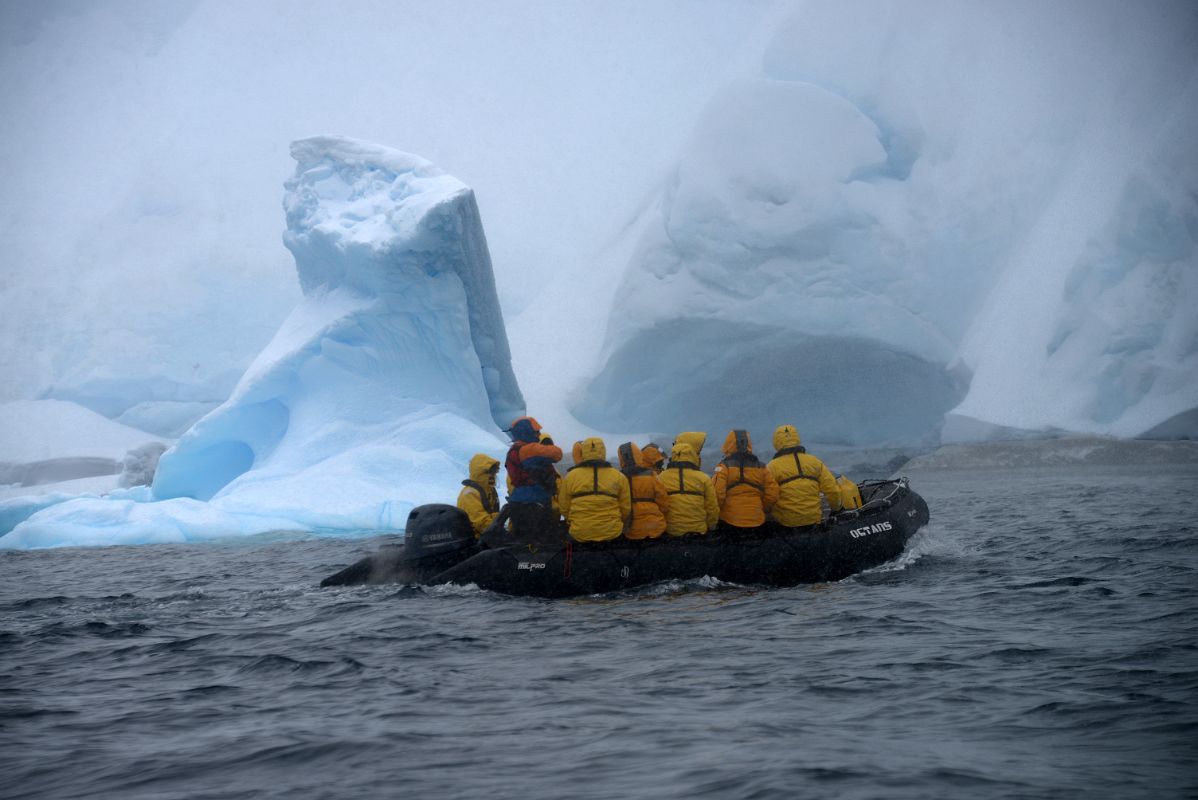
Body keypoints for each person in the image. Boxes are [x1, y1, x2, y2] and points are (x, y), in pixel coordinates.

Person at [765, 424, 842, 528]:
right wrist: (836, 508)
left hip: (786, 524)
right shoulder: (814, 462)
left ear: (776, 442)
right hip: (813, 521)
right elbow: (832, 490)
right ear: (797, 438)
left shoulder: (771, 467)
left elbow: (767, 497)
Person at [558, 437, 630, 542]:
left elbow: (564, 507)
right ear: (603, 451)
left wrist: (575, 521)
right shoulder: (619, 476)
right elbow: (626, 508)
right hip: (611, 532)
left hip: (580, 532)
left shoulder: (570, 477)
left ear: (584, 452)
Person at [503, 416, 563, 537]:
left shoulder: (513, 451)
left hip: (519, 502)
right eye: (536, 432)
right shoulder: (528, 449)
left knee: (524, 539)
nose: (538, 434)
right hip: (536, 504)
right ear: (526, 432)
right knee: (541, 541)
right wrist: (547, 446)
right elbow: (557, 454)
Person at [711, 429, 779, 532]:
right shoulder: (762, 467)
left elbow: (717, 494)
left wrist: (718, 513)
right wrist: (760, 508)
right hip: (757, 520)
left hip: (729, 522)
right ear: (749, 444)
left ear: (728, 444)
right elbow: (772, 493)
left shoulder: (723, 466)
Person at [659, 441, 719, 536]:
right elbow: (712, 506)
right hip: (698, 531)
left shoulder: (661, 477)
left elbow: (659, 505)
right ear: (692, 456)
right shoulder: (703, 478)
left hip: (671, 531)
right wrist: (711, 525)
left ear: (673, 456)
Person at [616, 442, 669, 540]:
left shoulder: (618, 479)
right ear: (638, 455)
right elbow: (664, 502)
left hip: (630, 531)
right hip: (655, 527)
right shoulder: (652, 476)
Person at [457, 453, 501, 537]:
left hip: (488, 535)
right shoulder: (469, 494)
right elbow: (481, 523)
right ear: (479, 473)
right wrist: (501, 518)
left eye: (494, 472)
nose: (492, 475)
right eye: (489, 472)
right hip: (475, 541)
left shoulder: (489, 490)